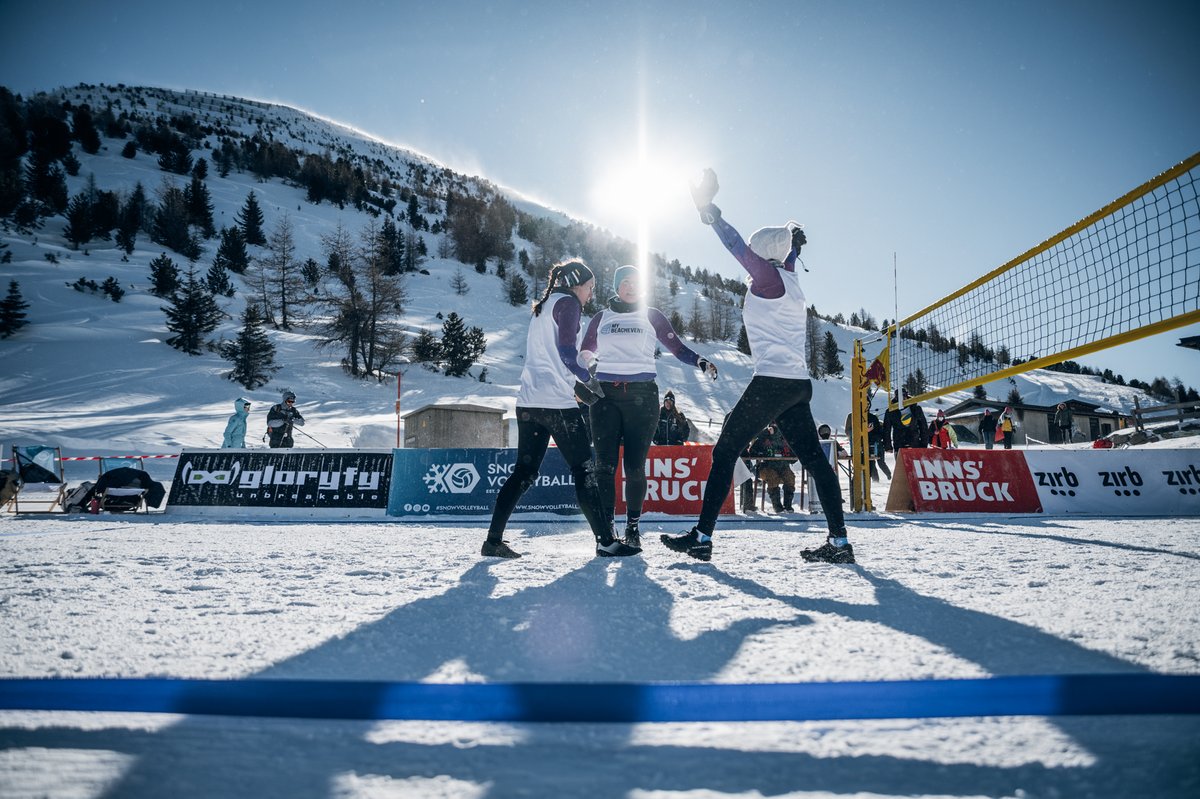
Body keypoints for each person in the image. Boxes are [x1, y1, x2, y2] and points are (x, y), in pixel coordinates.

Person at [661, 168, 853, 564]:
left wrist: (707, 210)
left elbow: (734, 245)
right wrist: (793, 237)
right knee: (815, 461)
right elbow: (789, 252)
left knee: (726, 450)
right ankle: (839, 543)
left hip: (772, 382)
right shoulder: (789, 276)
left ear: (764, 254)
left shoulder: (766, 277)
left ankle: (701, 537)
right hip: (796, 385)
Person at [481, 259, 640, 560]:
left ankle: (493, 540)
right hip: (557, 405)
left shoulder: (543, 307)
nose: (591, 295)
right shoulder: (568, 304)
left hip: (529, 402)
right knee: (584, 470)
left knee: (523, 473)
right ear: (577, 284)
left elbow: (550, 360)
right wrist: (588, 379)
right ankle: (606, 541)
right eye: (590, 288)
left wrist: (577, 385)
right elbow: (567, 353)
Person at [578, 264, 717, 547]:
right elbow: (585, 351)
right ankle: (606, 530)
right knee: (604, 466)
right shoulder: (601, 317)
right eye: (625, 282)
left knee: (635, 467)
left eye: (635, 282)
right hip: (604, 396)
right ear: (616, 286)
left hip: (642, 397)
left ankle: (632, 527)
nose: (630, 286)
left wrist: (700, 361)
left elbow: (676, 348)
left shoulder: (651, 315)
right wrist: (588, 368)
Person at [749, 422, 797, 512]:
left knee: (790, 478)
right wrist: (762, 437)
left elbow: (794, 457)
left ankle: (788, 506)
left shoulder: (785, 438)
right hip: (766, 467)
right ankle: (777, 506)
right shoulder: (764, 437)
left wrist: (790, 455)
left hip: (783, 467)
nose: (775, 428)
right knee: (773, 477)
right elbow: (752, 452)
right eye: (773, 425)